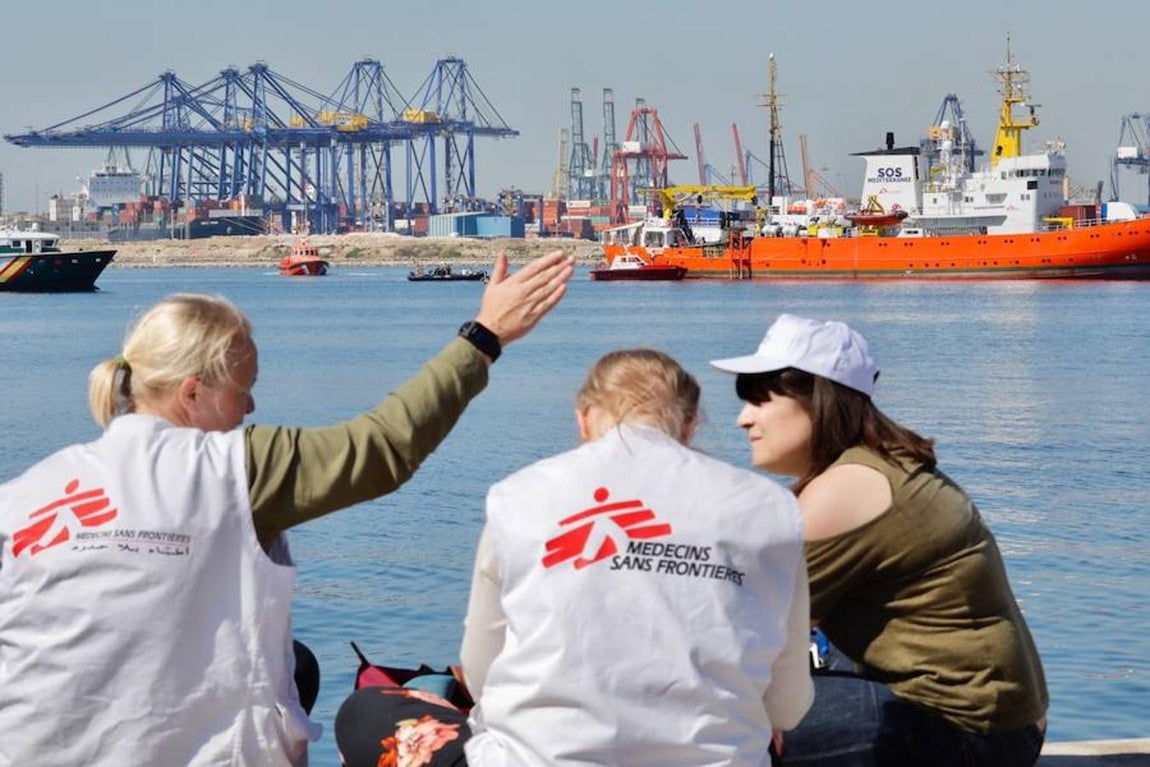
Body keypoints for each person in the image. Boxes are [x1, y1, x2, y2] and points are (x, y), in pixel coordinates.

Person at [0, 250, 574, 766]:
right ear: (192, 393)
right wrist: (485, 335)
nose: (251, 405)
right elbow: (383, 449)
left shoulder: (27, 492)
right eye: (242, 387)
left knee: (295, 663)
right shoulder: (234, 468)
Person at [335, 349, 813, 767]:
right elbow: (788, 706)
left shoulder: (519, 496)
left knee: (366, 712)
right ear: (689, 426)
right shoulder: (769, 507)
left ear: (582, 420)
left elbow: (481, 672)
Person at [710, 313, 1049, 767]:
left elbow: (737, 624)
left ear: (817, 399)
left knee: (711, 720)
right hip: (998, 724)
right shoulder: (876, 465)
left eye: (757, 400)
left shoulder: (846, 488)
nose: (742, 420)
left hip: (967, 734)